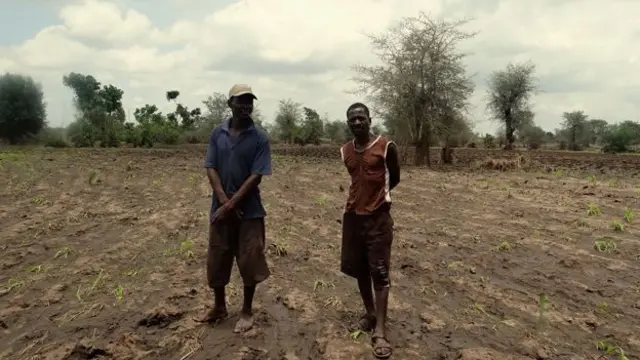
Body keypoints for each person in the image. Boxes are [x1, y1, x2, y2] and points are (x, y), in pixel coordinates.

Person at [197, 84, 272, 334]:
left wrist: (232, 204)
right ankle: (219, 306)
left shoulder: (260, 137)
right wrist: (223, 201)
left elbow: (256, 176)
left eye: (249, 101)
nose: (245, 106)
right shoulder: (217, 133)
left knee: (250, 258)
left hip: (249, 211)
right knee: (218, 257)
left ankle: (247, 310)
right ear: (230, 104)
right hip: (221, 210)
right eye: (240, 101)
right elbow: (210, 166)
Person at [339, 102, 400, 359]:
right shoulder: (345, 151)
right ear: (348, 123)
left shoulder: (385, 146)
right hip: (353, 218)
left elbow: (394, 177)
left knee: (380, 272)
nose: (357, 122)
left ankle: (381, 331)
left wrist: (378, 199)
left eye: (361, 118)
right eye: (352, 119)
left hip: (378, 219)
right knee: (360, 269)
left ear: (370, 119)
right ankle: (370, 312)